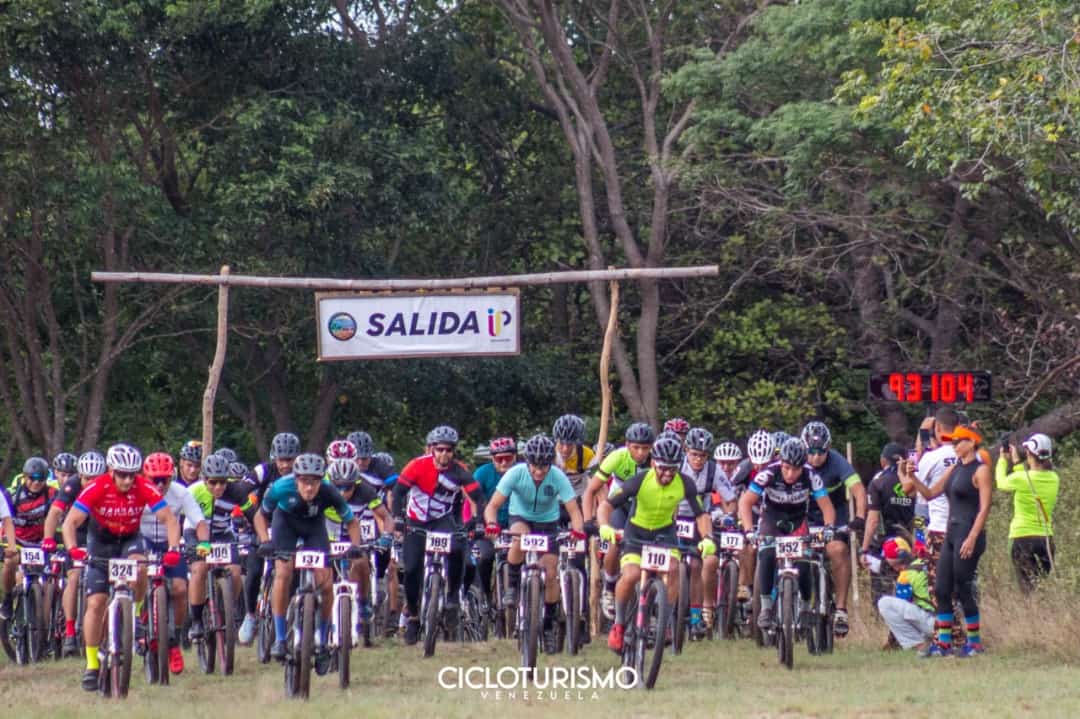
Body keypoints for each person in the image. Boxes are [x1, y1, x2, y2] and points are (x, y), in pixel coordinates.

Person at [62, 443, 182, 691]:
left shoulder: (143, 486)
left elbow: (169, 519)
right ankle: (92, 664)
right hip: (100, 542)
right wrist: (73, 548)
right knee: (96, 603)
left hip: (129, 538)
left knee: (140, 566)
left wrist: (173, 549)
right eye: (122, 475)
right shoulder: (97, 486)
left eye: (132, 475)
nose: (128, 480)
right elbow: (70, 522)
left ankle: (135, 612)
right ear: (111, 470)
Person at [598, 436, 716, 652]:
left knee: (673, 569)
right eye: (663, 468)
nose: (668, 474)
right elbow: (606, 505)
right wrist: (605, 526)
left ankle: (664, 620)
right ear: (653, 463)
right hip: (636, 531)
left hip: (664, 534)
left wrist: (707, 537)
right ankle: (619, 624)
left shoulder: (685, 483)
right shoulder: (640, 480)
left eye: (673, 469)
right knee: (631, 575)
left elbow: (701, 515)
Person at [254, 452, 361, 671]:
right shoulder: (281, 487)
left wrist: (355, 546)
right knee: (283, 573)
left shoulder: (330, 491)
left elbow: (351, 521)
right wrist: (265, 540)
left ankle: (321, 638)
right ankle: (280, 638)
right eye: (304, 482)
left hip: (314, 527)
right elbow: (260, 515)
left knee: (326, 582)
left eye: (314, 482)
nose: (310, 488)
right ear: (296, 480)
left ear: (322, 481)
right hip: (286, 524)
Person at [484, 434, 585, 653]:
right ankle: (512, 586)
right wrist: (491, 523)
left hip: (548, 523)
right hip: (520, 517)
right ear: (527, 462)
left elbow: (574, 510)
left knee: (551, 573)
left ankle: (548, 625)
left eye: (544, 467)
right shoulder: (515, 473)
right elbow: (492, 506)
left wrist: (578, 530)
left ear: (551, 464)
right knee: (520, 538)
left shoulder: (558, 476)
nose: (539, 472)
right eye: (535, 467)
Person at [391, 425, 487, 645]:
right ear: (432, 449)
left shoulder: (459, 471)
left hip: (442, 521)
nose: (444, 454)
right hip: (416, 521)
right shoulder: (416, 465)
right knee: (412, 569)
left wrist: (480, 522)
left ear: (454, 451)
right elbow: (398, 492)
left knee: (457, 548)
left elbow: (479, 498)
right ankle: (413, 617)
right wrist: (397, 518)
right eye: (440, 449)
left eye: (449, 450)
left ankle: (452, 598)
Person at [902, 425, 992, 657]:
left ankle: (974, 643)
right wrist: (912, 477)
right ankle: (943, 643)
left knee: (962, 587)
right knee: (941, 588)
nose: (954, 445)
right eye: (952, 442)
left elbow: (984, 508)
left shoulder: (980, 470)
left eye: (958, 441)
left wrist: (972, 537)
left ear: (972, 442)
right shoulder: (955, 467)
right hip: (951, 531)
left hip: (968, 532)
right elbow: (929, 493)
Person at [738, 438, 836, 631]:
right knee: (766, 554)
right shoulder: (768, 474)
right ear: (780, 463)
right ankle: (766, 607)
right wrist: (749, 531)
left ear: (803, 466)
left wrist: (829, 528)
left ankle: (806, 607)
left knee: (804, 562)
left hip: (798, 522)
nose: (790, 474)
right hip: (771, 520)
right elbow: (745, 502)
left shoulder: (811, 475)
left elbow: (827, 507)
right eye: (786, 468)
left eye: (796, 469)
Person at [139, 451, 209, 674]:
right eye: (155, 480)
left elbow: (199, 522)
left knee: (180, 588)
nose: (160, 485)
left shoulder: (181, 493)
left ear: (172, 477)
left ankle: (175, 639)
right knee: (136, 581)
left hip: (170, 543)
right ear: (145, 477)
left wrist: (204, 544)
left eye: (165, 479)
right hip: (142, 541)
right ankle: (138, 624)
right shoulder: (137, 491)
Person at [582, 422, 654, 619]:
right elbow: (591, 490)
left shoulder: (655, 461)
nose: (641, 453)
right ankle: (610, 586)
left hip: (644, 508)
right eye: (636, 447)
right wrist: (588, 520)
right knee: (614, 542)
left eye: (645, 448)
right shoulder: (617, 457)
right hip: (619, 505)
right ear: (627, 445)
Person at [801, 421, 866, 637]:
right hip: (804, 517)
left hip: (834, 517)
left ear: (828, 448)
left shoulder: (837, 461)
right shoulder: (796, 461)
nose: (815, 457)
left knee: (838, 550)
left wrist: (860, 517)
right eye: (811, 452)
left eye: (821, 452)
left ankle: (840, 610)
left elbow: (858, 489)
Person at [42, 450, 106, 656]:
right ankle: (70, 631)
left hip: (99, 533)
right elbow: (55, 513)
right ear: (79, 476)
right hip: (76, 531)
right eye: (86, 479)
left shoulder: (110, 486)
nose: (90, 483)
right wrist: (49, 538)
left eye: (95, 479)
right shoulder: (72, 485)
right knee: (75, 576)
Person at [238, 431, 300, 645]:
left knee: (293, 571)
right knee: (254, 570)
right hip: (264, 523)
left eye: (290, 460)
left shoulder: (302, 474)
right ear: (274, 457)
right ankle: (250, 615)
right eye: (281, 460)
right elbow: (241, 490)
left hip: (291, 526)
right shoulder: (263, 471)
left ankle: (288, 612)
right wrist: (252, 513)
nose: (285, 465)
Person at [187, 453, 252, 647]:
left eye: (223, 482)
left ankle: (227, 608)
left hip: (222, 532)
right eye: (213, 482)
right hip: (195, 532)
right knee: (199, 569)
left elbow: (252, 514)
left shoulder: (235, 491)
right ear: (204, 479)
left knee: (236, 571)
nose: (218, 487)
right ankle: (196, 620)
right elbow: (175, 517)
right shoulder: (193, 491)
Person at [679, 427, 735, 637]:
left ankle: (698, 616)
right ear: (686, 450)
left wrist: (729, 516)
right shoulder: (676, 466)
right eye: (694, 454)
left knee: (699, 564)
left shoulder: (714, 470)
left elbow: (730, 499)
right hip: (674, 516)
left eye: (703, 456)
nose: (698, 459)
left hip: (700, 518)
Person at [995, 432, 1060, 593]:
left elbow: (1002, 483)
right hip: (1045, 539)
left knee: (1026, 590)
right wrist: (1017, 463)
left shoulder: (1021, 478)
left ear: (1030, 454)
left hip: (1022, 538)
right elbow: (1027, 478)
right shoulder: (1054, 478)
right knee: (1038, 589)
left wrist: (1003, 460)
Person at [0, 458, 59, 620]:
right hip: (18, 540)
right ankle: (8, 598)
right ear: (25, 477)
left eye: (41, 478)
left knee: (51, 577)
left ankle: (47, 622)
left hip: (41, 541)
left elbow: (60, 519)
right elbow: (4, 521)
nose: (36, 482)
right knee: (10, 562)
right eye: (32, 478)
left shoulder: (53, 494)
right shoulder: (12, 495)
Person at [861, 442, 916, 611]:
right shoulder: (914, 480)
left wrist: (864, 549)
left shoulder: (878, 481)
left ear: (883, 460)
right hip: (910, 539)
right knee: (910, 578)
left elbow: (873, 520)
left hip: (885, 540)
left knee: (880, 579)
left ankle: (880, 613)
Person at [727, 430, 776, 601]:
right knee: (746, 545)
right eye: (756, 463)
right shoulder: (744, 468)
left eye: (765, 464)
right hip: (752, 511)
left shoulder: (780, 467)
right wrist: (731, 514)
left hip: (772, 512)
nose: (760, 468)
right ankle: (746, 586)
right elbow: (728, 491)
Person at [470, 436, 516, 609]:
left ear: (515, 457)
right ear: (492, 459)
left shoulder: (522, 472)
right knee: (485, 557)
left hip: (514, 525)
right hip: (488, 525)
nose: (504, 463)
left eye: (508, 458)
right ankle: (485, 595)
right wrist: (477, 521)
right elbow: (472, 499)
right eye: (499, 459)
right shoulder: (482, 473)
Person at [876, 537, 935, 652]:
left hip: (932, 624)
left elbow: (900, 613)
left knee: (884, 603)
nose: (896, 569)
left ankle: (918, 645)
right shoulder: (928, 563)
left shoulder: (905, 576)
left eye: (895, 565)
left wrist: (892, 641)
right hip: (949, 624)